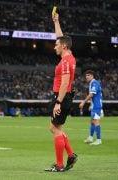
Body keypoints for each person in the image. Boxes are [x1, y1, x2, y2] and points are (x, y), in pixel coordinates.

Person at [45, 12, 78, 172]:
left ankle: (59, 165)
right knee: (57, 128)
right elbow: (61, 38)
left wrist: (58, 102)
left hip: (62, 96)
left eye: (57, 45)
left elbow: (65, 83)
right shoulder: (70, 56)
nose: (55, 46)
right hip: (65, 96)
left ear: (63, 46)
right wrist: (56, 21)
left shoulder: (65, 62)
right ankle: (70, 155)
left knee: (54, 128)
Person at [79, 70, 103, 145]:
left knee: (96, 121)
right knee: (92, 121)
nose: (87, 77)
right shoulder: (92, 83)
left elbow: (92, 94)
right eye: (86, 75)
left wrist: (83, 102)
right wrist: (91, 104)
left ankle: (99, 140)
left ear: (92, 76)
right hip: (94, 105)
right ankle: (90, 138)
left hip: (97, 105)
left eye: (88, 75)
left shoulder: (94, 83)